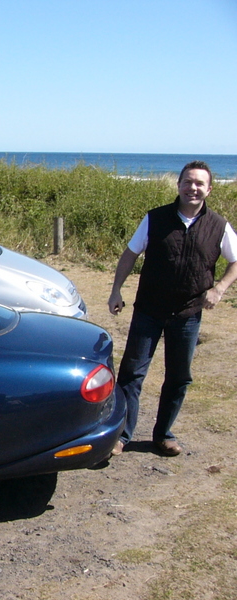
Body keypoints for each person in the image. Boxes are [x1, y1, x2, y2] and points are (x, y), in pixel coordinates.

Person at [108, 161, 237, 457]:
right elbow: (130, 253)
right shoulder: (155, 219)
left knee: (179, 377)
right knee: (132, 374)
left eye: (199, 183)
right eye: (188, 182)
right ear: (178, 185)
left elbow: (235, 260)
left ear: (209, 189)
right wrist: (116, 290)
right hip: (149, 310)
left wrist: (219, 289)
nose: (193, 188)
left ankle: (163, 435)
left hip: (188, 314)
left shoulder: (218, 225)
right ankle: (122, 435)